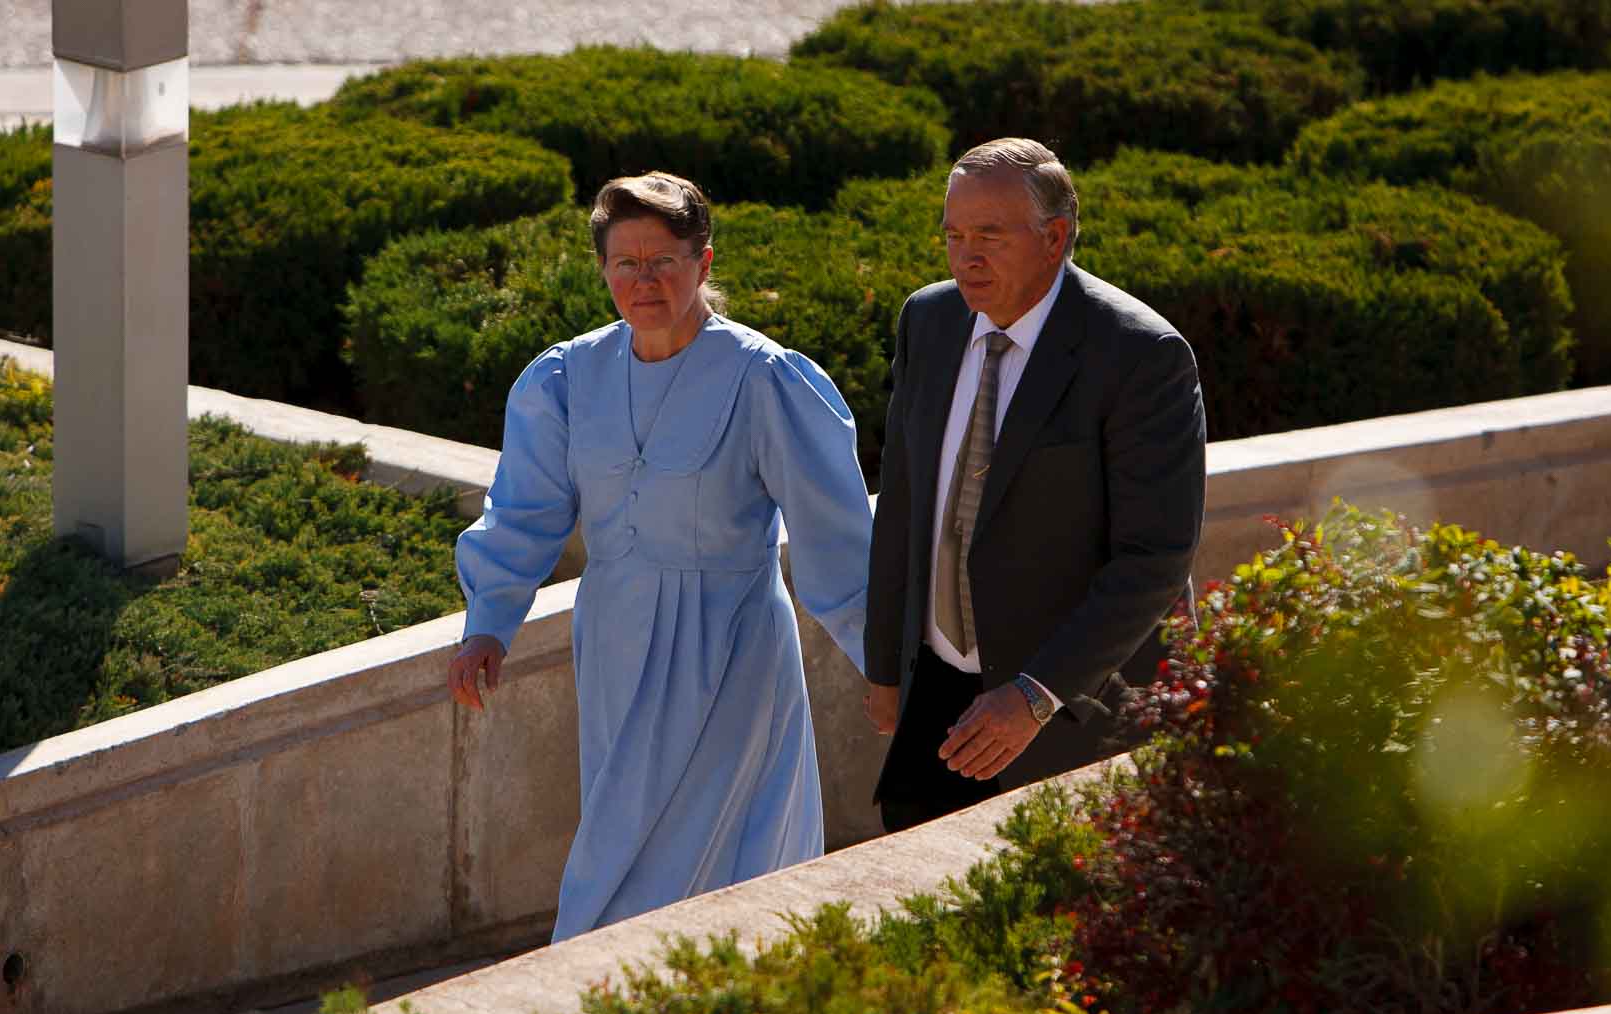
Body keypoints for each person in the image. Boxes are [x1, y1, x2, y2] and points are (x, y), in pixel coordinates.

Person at [449, 172, 873, 942]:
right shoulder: (566, 377)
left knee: (709, 849)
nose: (643, 281)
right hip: (613, 640)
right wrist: (488, 624)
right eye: (625, 264)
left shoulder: (765, 377)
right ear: (604, 270)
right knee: (621, 829)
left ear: (703, 263)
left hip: (732, 645)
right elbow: (523, 511)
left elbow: (834, 531)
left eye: (663, 261)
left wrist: (885, 664)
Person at [864, 138, 1207, 833]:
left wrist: (1035, 694)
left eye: (990, 234)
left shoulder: (1142, 356)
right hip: (937, 686)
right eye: (954, 235)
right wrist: (885, 663)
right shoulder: (927, 321)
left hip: (1076, 704)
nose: (966, 256)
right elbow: (903, 502)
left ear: (1055, 238)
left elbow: (1156, 559)